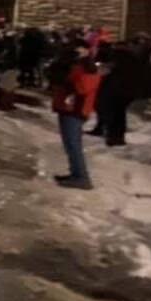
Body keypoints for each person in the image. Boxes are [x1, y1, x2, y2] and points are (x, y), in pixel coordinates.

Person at [49, 39, 101, 190]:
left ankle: (82, 177)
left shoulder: (87, 66)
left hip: (75, 109)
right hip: (67, 107)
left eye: (79, 49)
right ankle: (75, 173)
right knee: (69, 144)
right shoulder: (74, 63)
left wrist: (67, 80)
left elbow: (82, 87)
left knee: (73, 144)